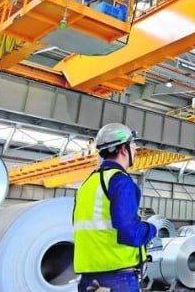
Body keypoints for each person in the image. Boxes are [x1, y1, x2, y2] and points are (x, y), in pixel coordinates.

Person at [73, 123, 157, 291]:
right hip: (117, 276)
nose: (135, 150)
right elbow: (130, 233)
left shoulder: (88, 183)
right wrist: (151, 229)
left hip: (88, 278)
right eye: (133, 145)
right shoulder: (120, 181)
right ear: (124, 149)